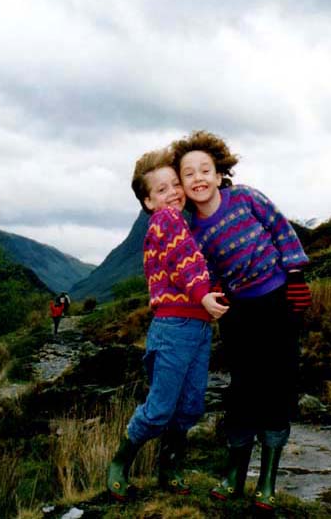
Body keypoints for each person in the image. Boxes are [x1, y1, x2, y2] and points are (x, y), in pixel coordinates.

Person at [171, 130, 312, 513]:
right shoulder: (192, 230)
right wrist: (213, 293)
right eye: (189, 173)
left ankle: (267, 481)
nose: (199, 177)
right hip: (239, 312)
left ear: (219, 174)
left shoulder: (247, 198)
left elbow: (282, 230)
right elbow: (205, 271)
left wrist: (296, 277)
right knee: (243, 389)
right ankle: (235, 474)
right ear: (182, 184)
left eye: (206, 169)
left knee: (278, 385)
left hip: (278, 301)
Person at [106, 147, 229, 502]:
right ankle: (120, 461)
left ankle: (170, 466)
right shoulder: (167, 221)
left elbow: (193, 263)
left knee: (190, 406)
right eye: (162, 190)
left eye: (176, 184)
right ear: (148, 201)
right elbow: (184, 262)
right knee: (160, 409)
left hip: (198, 329)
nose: (174, 192)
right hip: (174, 328)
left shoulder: (182, 222)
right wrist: (205, 293)